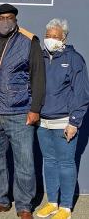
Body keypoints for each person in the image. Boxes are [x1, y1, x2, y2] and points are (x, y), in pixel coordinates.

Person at [0, 3, 45, 219]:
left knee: (24, 162)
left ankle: (24, 206)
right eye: (1, 18)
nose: (5, 21)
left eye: (9, 17)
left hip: (19, 111)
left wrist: (35, 108)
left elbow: (38, 76)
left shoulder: (28, 40)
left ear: (15, 19)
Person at [36, 19, 89, 219]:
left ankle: (65, 207)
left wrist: (74, 122)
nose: (50, 39)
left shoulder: (74, 59)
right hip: (42, 122)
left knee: (66, 163)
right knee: (49, 162)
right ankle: (52, 202)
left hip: (64, 122)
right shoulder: (39, 57)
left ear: (64, 38)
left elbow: (81, 93)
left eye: (55, 36)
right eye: (48, 35)